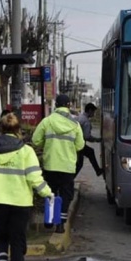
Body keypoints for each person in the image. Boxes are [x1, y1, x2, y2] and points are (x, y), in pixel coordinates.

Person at [0, 113, 54, 261]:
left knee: (1, 237)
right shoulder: (26, 151)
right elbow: (34, 178)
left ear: (0, 129)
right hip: (20, 201)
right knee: (17, 241)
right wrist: (48, 193)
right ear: (18, 130)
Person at [32, 94, 84, 233]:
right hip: (67, 167)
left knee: (51, 192)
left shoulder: (47, 121)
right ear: (68, 106)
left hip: (50, 165)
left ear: (56, 106)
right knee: (66, 195)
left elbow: (35, 140)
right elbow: (80, 146)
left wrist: (46, 144)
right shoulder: (75, 124)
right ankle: (60, 224)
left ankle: (49, 220)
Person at [75, 103, 103, 177]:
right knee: (79, 163)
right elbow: (87, 136)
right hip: (79, 144)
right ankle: (69, 182)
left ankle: (98, 171)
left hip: (74, 143)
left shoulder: (80, 117)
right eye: (93, 112)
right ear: (90, 111)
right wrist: (97, 140)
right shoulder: (86, 121)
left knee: (79, 163)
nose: (94, 113)